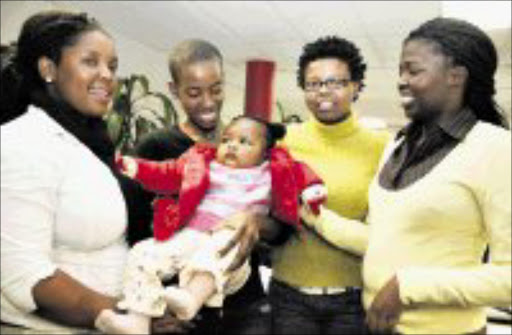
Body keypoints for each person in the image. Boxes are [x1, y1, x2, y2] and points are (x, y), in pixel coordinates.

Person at [301, 18, 511, 334]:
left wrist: (406, 287)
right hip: (376, 325)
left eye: (413, 71)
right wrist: (314, 216)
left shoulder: (495, 148)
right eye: (401, 71)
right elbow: (380, 239)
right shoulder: (398, 144)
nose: (401, 80)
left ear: (456, 76)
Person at [96, 116, 327, 334]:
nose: (232, 146)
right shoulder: (203, 163)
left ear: (266, 153)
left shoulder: (272, 170)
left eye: (244, 142)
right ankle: (137, 321)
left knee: (220, 249)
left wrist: (313, 190)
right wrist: (135, 167)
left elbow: (301, 174)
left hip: (230, 241)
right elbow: (167, 171)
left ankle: (191, 298)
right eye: (226, 140)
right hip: (193, 234)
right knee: (143, 252)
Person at [0, 10, 155, 334]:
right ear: (48, 69)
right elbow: (24, 276)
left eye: (112, 66)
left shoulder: (89, 142)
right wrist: (130, 314)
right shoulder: (24, 141)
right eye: (90, 61)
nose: (108, 75)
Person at [131, 39, 283, 335]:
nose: (208, 102)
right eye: (194, 93)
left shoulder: (250, 145)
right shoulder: (157, 147)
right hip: (185, 312)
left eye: (216, 89)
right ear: (174, 90)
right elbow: (138, 230)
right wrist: (151, 309)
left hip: (247, 307)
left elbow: (282, 228)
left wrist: (257, 222)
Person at [268, 36, 390, 334]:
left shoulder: (382, 147)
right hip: (289, 298)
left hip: (352, 298)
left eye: (335, 82)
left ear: (356, 86)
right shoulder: (284, 141)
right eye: (313, 83)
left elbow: (387, 229)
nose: (323, 91)